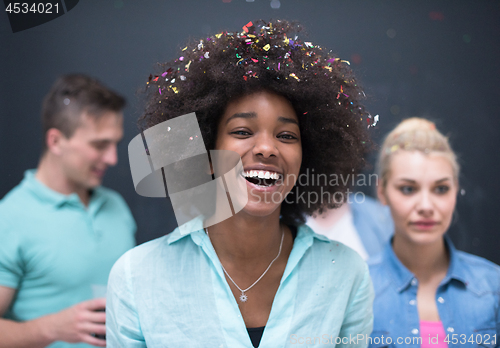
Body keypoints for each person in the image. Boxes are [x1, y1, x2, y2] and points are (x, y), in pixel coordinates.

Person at [107, 20, 375, 347]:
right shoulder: (136, 278)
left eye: (287, 136)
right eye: (243, 132)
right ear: (204, 153)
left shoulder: (346, 274)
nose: (266, 148)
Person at [0, 74, 136, 348]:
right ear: (55, 141)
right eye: (99, 145)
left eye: (115, 145)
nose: (112, 159)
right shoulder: (9, 218)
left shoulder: (115, 205)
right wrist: (50, 328)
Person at [369, 118, 500, 347]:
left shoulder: (493, 287)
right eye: (408, 189)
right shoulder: (356, 289)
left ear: (456, 190)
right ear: (382, 192)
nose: (426, 206)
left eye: (441, 189)